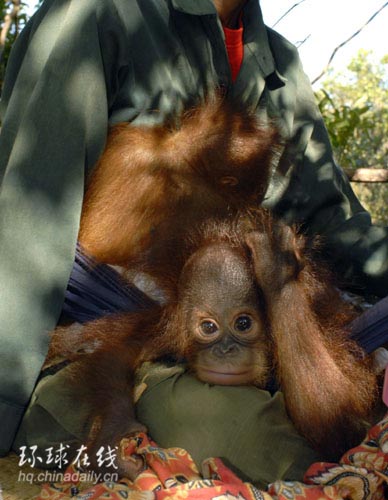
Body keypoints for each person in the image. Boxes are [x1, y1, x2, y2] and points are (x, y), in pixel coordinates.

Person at [0, 0, 387, 486]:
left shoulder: (279, 62)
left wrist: (289, 302)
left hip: (252, 313)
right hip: (113, 326)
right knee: (263, 444)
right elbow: (27, 214)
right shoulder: (97, 15)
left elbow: (333, 220)